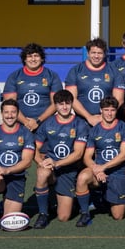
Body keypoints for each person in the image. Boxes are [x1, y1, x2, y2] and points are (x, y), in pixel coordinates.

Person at [32, 89, 89, 229]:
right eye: (60, 104)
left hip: (67, 170)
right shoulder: (47, 123)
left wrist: (56, 163)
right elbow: (34, 149)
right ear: (55, 105)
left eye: (67, 103)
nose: (64, 107)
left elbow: (78, 154)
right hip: (50, 167)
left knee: (63, 217)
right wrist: (42, 163)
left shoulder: (80, 124)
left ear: (72, 104)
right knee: (42, 173)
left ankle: (62, 198)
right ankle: (43, 214)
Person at [75, 96, 125, 226]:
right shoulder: (94, 130)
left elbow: (124, 155)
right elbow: (87, 157)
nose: (109, 113)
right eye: (106, 110)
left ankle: (104, 197)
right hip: (98, 172)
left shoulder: (124, 128)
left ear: (116, 111)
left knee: (118, 216)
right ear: (100, 110)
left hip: (118, 173)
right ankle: (85, 214)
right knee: (82, 177)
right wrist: (96, 169)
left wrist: (103, 167)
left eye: (112, 110)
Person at [0, 99, 36, 234]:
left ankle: (1, 207)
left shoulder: (26, 133)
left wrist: (7, 170)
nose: (9, 116)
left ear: (17, 114)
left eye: (13, 112)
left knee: (9, 223)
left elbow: (27, 161)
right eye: (6, 112)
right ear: (1, 114)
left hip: (16, 177)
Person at [2, 42, 63, 132]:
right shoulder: (14, 76)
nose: (33, 59)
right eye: (30, 56)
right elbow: (10, 104)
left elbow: (56, 103)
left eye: (36, 56)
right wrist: (26, 122)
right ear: (25, 59)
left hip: (46, 125)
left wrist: (38, 121)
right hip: (21, 125)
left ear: (42, 58)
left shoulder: (52, 76)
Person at [65, 38, 121, 126]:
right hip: (82, 121)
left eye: (99, 53)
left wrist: (104, 117)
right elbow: (71, 98)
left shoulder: (114, 71)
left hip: (107, 122)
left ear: (105, 54)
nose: (96, 56)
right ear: (87, 53)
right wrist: (88, 117)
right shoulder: (76, 71)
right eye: (93, 53)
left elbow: (119, 99)